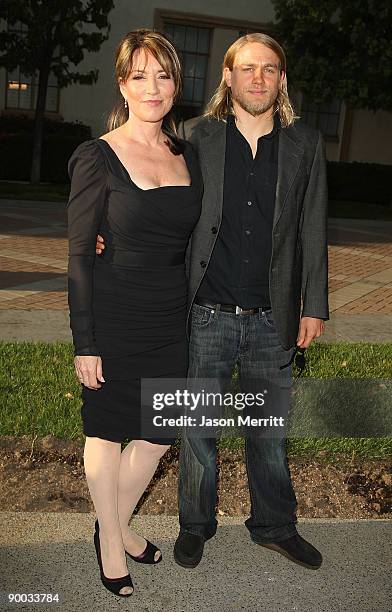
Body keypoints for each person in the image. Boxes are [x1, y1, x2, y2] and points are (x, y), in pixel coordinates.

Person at [96, 32, 328, 571]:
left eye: (269, 69)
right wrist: (108, 234)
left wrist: (313, 304)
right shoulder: (194, 137)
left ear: (282, 79)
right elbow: (146, 186)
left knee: (268, 431)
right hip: (206, 314)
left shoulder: (305, 144)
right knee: (197, 431)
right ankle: (195, 526)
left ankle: (274, 525)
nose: (258, 78)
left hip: (274, 319)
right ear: (228, 76)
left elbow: (311, 231)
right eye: (247, 68)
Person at [67, 29, 202, 597]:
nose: (154, 86)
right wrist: (85, 340)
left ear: (175, 85)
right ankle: (112, 540)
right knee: (107, 429)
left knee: (158, 431)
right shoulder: (97, 156)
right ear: (123, 83)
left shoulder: (187, 152)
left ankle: (114, 525)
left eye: (164, 74)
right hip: (115, 309)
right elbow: (77, 253)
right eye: (140, 75)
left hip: (171, 314)